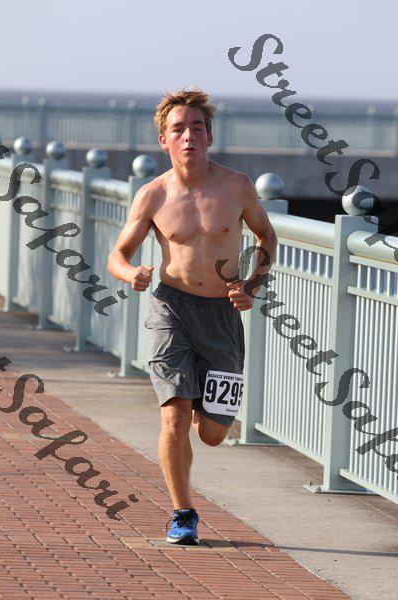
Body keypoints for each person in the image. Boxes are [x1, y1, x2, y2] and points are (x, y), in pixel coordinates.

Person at [107, 87, 278, 545]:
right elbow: (117, 255)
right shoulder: (152, 195)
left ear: (210, 136)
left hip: (221, 314)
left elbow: (267, 237)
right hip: (171, 308)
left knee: (213, 433)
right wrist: (131, 273)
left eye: (197, 128)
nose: (189, 136)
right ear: (163, 140)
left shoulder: (237, 187)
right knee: (175, 417)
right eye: (178, 129)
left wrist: (252, 285)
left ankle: (202, 400)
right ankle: (183, 514)